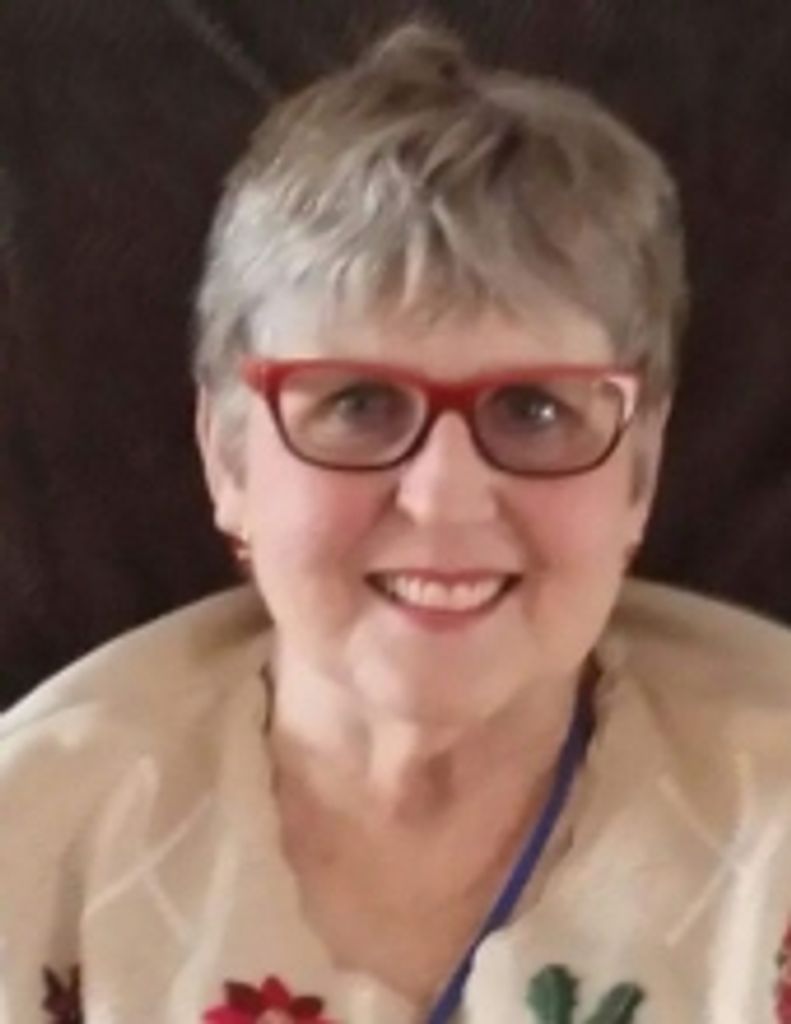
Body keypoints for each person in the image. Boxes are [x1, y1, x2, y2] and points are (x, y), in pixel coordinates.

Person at [2, 21, 791, 1024]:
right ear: (227, 456)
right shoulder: (32, 841)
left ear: (638, 468)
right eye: (358, 404)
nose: (443, 497)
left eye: (534, 410)